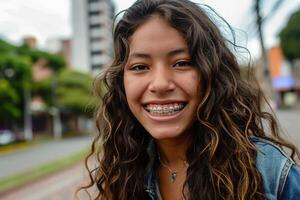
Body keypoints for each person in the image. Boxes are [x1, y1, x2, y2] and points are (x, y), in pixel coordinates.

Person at [76, 0, 300, 199]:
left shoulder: (267, 171)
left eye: (182, 63)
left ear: (211, 73)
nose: (161, 84)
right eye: (140, 67)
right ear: (121, 82)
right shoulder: (122, 175)